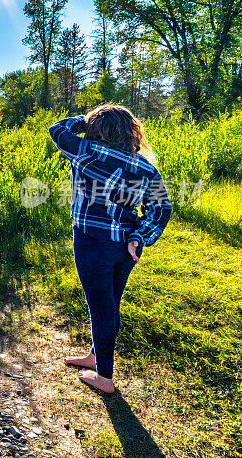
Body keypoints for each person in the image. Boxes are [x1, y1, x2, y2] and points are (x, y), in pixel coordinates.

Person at [48, 104, 171, 393]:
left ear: (96, 130)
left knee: (100, 308)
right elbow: (161, 209)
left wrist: (85, 120)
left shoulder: (85, 151)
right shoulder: (146, 168)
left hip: (92, 243)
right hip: (126, 246)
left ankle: (104, 377)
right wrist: (140, 237)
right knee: (110, 303)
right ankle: (95, 356)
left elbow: (57, 130)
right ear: (131, 132)